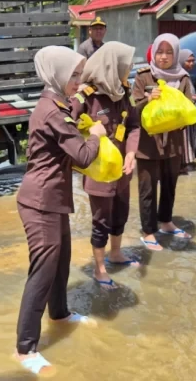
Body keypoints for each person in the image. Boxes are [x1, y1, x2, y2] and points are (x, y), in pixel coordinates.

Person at [14, 45, 105, 376]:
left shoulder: (55, 104)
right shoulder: (53, 112)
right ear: (57, 73)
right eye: (74, 74)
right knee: (43, 270)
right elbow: (83, 155)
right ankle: (25, 348)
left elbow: (71, 117)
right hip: (40, 202)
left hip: (53, 199)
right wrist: (96, 135)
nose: (78, 81)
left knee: (61, 259)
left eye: (79, 74)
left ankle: (60, 314)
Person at [70, 42, 140, 289]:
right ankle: (99, 269)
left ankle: (116, 253)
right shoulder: (86, 96)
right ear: (112, 65)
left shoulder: (123, 92)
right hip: (98, 172)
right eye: (126, 64)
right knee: (101, 219)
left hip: (122, 169)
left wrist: (131, 153)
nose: (129, 68)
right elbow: (68, 126)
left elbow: (134, 126)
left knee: (121, 211)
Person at [133, 34, 194, 247]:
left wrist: (179, 119)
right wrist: (148, 99)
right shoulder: (143, 77)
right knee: (147, 188)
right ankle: (148, 230)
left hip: (173, 142)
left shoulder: (183, 78)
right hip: (147, 144)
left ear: (176, 54)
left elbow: (190, 109)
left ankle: (166, 221)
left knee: (170, 184)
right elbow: (132, 109)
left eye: (169, 52)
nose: (164, 57)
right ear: (154, 53)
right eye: (160, 52)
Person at [178, 48, 196, 174]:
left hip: (190, 112)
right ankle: (183, 163)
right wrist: (194, 98)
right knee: (184, 139)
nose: (191, 64)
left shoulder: (186, 75)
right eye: (188, 61)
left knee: (189, 138)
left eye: (193, 61)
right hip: (183, 113)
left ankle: (187, 161)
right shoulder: (179, 76)